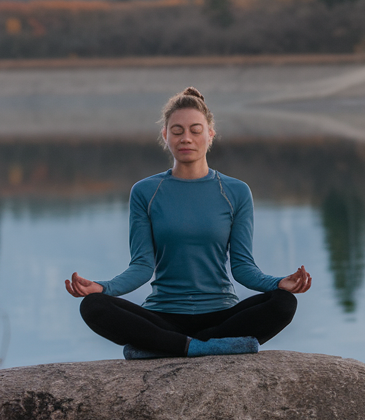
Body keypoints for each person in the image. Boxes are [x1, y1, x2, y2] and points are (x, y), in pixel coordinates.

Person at [66, 86, 311, 358]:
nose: (186, 138)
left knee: (284, 303)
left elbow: (243, 268)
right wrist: (103, 287)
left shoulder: (236, 192)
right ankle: (198, 347)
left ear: (210, 134)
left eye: (196, 130)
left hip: (222, 317)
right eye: (177, 130)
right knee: (93, 306)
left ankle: (164, 346)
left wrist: (279, 283)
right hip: (162, 316)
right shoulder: (146, 192)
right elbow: (141, 266)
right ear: (165, 135)